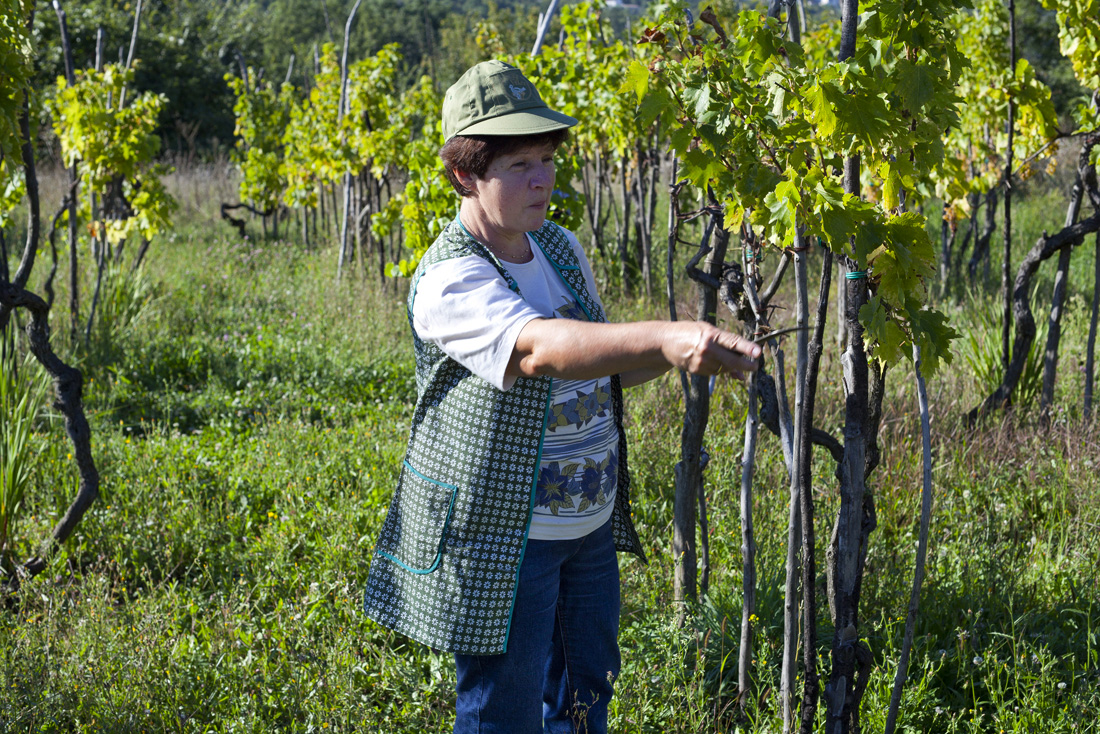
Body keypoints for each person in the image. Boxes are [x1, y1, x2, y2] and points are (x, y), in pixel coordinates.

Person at [363, 60, 761, 734]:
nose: (543, 178)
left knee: (582, 705)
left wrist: (679, 356)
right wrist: (665, 337)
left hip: (587, 524)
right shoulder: (450, 278)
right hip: (507, 540)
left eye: (546, 158)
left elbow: (598, 368)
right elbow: (539, 350)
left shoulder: (558, 245)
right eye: (520, 164)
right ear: (465, 174)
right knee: (504, 715)